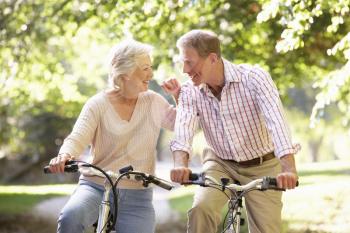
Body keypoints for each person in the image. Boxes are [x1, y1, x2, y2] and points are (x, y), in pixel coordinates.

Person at [168, 29, 300, 233]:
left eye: (190, 62)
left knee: (267, 229)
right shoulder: (189, 91)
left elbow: (277, 123)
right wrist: (180, 166)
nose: (185, 70)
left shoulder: (254, 79)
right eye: (182, 62)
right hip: (220, 163)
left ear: (212, 58)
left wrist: (289, 169)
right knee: (200, 209)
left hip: (262, 163)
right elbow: (183, 130)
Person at [48, 40, 179, 233]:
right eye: (145, 68)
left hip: (138, 196)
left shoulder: (153, 101)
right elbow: (77, 138)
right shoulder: (98, 104)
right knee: (70, 218)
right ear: (125, 74)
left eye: (150, 68)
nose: (151, 74)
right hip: (95, 187)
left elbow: (180, 124)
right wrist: (64, 155)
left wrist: (178, 95)